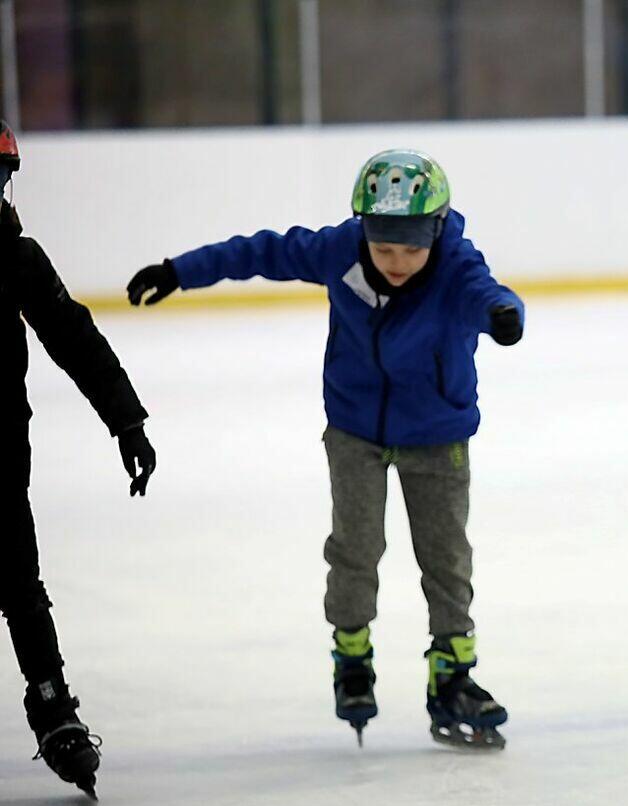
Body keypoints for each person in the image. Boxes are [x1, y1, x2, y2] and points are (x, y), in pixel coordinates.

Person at [125, 149, 522, 749]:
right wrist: (181, 271)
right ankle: (352, 657)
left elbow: (486, 294)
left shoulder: (454, 264)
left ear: (436, 232)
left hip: (437, 432)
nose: (396, 263)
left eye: (410, 250)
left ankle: (452, 674)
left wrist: (504, 315)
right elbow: (262, 252)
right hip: (355, 427)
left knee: (446, 558)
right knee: (355, 548)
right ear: (364, 231)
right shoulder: (341, 250)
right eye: (383, 249)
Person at [0, 120, 156, 799]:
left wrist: (126, 419)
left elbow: (74, 338)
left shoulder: (16, 259)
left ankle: (53, 706)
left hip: (0, 459)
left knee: (19, 584)